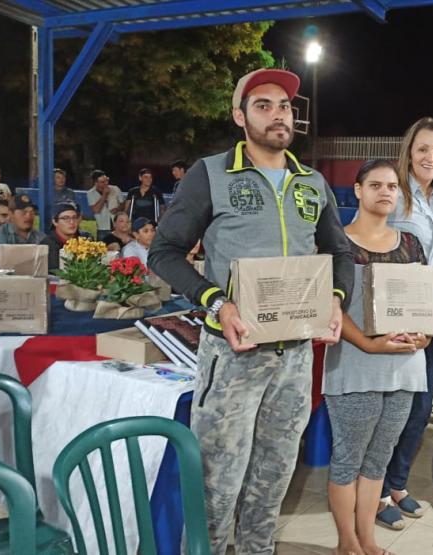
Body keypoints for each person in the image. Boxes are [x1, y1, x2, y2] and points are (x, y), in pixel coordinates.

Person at [149, 68, 352, 554]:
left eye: (284, 106)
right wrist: (216, 302)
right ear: (240, 117)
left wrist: (335, 299)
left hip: (294, 357)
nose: (278, 115)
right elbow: (164, 252)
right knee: (216, 484)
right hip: (232, 355)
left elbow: (339, 252)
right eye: (263, 105)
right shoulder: (212, 174)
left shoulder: (311, 182)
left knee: (274, 478)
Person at [325, 159, 428, 555]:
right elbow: (329, 306)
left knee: (379, 459)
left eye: (392, 186)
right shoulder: (337, 243)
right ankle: (346, 542)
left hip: (404, 368)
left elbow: (422, 302)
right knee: (348, 459)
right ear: (358, 190)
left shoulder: (411, 244)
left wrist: (423, 334)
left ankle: (367, 538)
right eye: (376, 185)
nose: (385, 192)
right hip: (355, 364)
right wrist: (369, 344)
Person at [376, 117, 433, 530]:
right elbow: (370, 250)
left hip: (426, 323)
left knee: (419, 410)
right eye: (423, 148)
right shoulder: (392, 192)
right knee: (388, 411)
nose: (431, 157)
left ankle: (396, 484)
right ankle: (373, 493)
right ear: (409, 151)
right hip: (393, 319)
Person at [0, 194, 47, 258]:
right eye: (23, 212)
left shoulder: (41, 237)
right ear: (11, 214)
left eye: (32, 213)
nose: (28, 216)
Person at [39, 202, 90, 271]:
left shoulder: (86, 240)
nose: (72, 222)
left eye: (74, 217)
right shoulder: (47, 245)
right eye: (66, 218)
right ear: (55, 222)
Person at [86, 169, 122, 241]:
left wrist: (118, 209)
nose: (106, 183)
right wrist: (104, 195)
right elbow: (96, 210)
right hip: (102, 228)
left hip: (117, 227)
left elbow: (123, 204)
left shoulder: (115, 189)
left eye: (106, 180)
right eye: (102, 182)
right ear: (95, 183)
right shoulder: (90, 193)